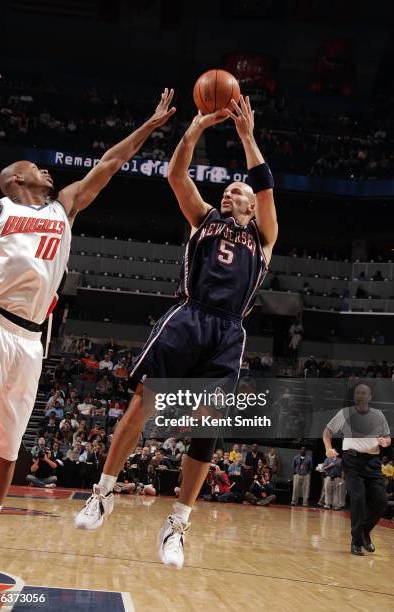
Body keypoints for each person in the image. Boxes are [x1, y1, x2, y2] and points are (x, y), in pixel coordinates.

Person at [74, 96, 278, 570]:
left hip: (230, 333)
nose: (231, 193)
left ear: (251, 204)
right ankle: (101, 495)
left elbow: (266, 186)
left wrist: (247, 135)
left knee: (207, 426)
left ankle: (178, 524)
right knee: (144, 403)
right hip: (188, 317)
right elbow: (175, 175)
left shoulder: (263, 237)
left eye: (238, 191)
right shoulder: (203, 219)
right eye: (227, 190)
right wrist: (196, 128)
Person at [0, 88, 176, 551]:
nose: (46, 171)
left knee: (7, 450)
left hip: (32, 343)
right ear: (15, 179)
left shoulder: (63, 206)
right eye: (36, 168)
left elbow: (108, 163)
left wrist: (148, 129)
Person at [323, 383, 391, 555]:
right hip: (352, 461)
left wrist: (385, 441)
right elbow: (327, 431)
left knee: (381, 501)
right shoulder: (345, 413)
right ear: (355, 396)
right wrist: (328, 448)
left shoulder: (378, 415)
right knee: (358, 499)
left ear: (370, 397)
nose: (361, 395)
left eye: (364, 393)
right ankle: (356, 542)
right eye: (358, 393)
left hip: (373, 462)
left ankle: (364, 531)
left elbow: (387, 437)